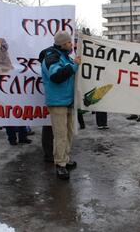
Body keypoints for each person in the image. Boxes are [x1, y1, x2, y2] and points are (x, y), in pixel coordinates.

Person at [40, 31, 81, 180]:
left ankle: (66, 159)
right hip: (57, 102)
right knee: (60, 135)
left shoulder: (63, 56)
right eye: (70, 42)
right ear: (63, 44)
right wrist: (74, 66)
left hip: (67, 101)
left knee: (69, 132)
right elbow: (56, 77)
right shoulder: (52, 57)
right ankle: (60, 165)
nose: (72, 45)